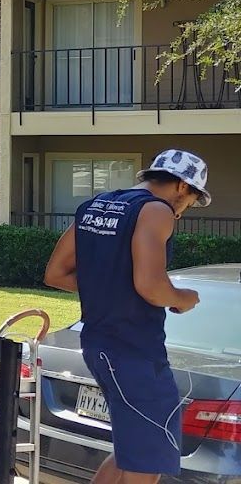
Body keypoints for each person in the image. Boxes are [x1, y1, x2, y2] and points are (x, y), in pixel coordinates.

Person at [43, 149, 208, 484]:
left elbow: (55, 274)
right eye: (191, 200)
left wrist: (109, 290)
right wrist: (183, 299)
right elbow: (151, 286)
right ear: (181, 186)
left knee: (130, 450)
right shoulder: (157, 211)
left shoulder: (96, 206)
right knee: (147, 459)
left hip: (99, 345)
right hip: (135, 352)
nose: (184, 210)